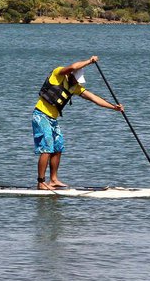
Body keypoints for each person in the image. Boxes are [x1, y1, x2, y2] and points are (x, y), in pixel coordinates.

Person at [32, 55, 123, 189]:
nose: (77, 83)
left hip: (52, 118)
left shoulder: (74, 87)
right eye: (76, 80)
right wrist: (89, 61)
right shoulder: (58, 74)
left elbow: (94, 98)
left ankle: (53, 180)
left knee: (58, 147)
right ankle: (41, 182)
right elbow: (74, 67)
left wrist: (114, 107)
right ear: (71, 75)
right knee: (47, 147)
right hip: (41, 115)